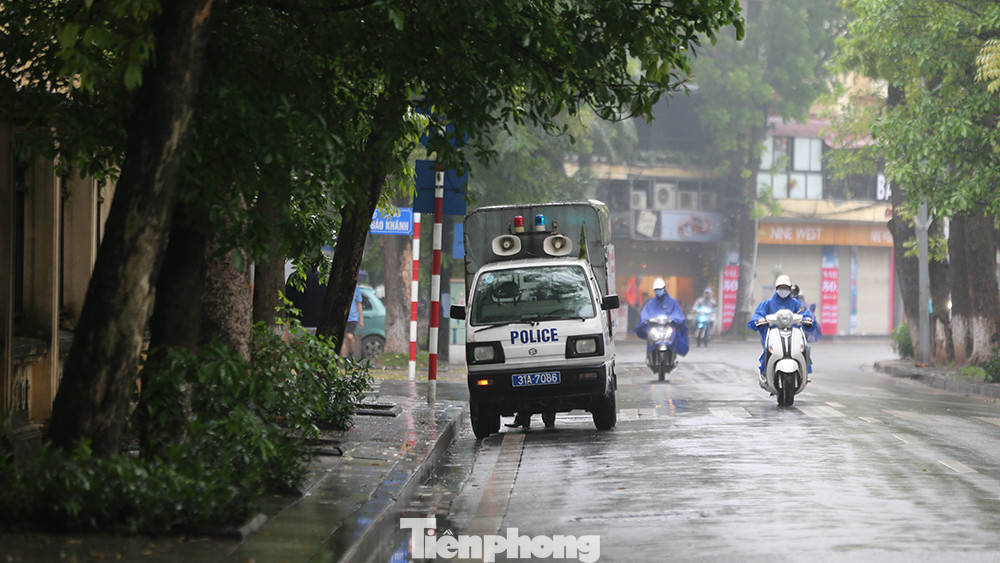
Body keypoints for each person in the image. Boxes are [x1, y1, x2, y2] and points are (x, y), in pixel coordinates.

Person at [748, 275, 817, 376]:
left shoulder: (796, 304)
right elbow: (757, 316)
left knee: (804, 348)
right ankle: (765, 372)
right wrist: (759, 320)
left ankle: (804, 371)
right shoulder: (767, 304)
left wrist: (807, 319)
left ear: (789, 289)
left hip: (793, 335)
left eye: (786, 288)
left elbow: (805, 314)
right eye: (781, 288)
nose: (783, 290)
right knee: (768, 351)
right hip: (773, 336)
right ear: (777, 288)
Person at [635, 277, 689, 355]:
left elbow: (678, 314)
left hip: (668, 327)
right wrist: (646, 320)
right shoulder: (651, 303)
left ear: (664, 288)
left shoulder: (672, 302)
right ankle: (650, 354)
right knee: (649, 335)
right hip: (655, 327)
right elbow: (645, 313)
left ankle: (673, 352)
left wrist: (675, 319)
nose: (658, 291)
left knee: (676, 335)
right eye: (656, 290)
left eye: (659, 289)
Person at [342, 282, 364, 358]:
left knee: (350, 337)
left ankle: (351, 352)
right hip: (342, 318)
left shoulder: (356, 288)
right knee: (342, 339)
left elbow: (359, 304)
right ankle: (344, 358)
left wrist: (361, 320)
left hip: (352, 318)